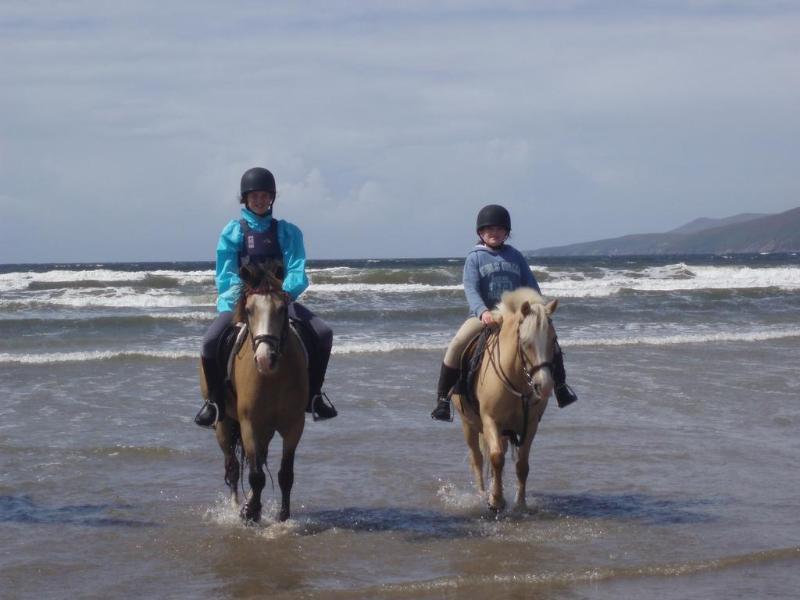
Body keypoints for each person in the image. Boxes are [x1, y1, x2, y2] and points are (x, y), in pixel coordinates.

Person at [195, 167, 337, 428]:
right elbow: (225, 272)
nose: (260, 200)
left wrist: (285, 292)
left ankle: (314, 395)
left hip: (280, 302)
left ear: (272, 198)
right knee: (209, 343)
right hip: (242, 303)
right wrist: (244, 294)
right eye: (254, 196)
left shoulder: (287, 231)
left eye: (265, 195)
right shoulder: (233, 232)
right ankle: (214, 403)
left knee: (324, 333)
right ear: (245, 199)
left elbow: (296, 267)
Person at [431, 204, 578, 421]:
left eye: (499, 229)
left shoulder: (516, 256)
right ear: (480, 233)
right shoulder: (475, 258)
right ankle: (443, 400)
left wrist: (537, 310)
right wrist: (482, 312)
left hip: (517, 316)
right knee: (457, 343)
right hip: (486, 316)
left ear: (507, 232)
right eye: (488, 229)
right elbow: (470, 288)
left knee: (549, 341)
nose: (494, 232)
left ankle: (561, 387)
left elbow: (531, 286)